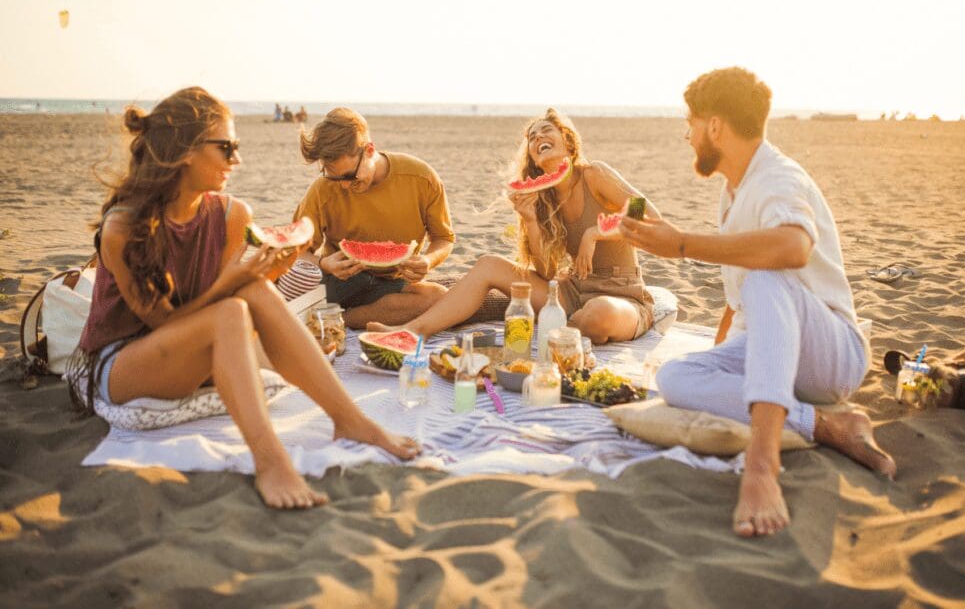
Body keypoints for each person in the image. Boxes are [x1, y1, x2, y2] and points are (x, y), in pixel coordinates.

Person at [67, 87, 419, 510]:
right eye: (226, 147)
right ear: (184, 152)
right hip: (120, 364)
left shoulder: (233, 215)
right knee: (232, 308)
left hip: (191, 349)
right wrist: (229, 285)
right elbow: (163, 322)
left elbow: (226, 298)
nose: (237, 159)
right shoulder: (124, 227)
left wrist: (269, 272)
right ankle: (270, 461)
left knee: (249, 292)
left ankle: (350, 420)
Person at [619, 67, 896, 538]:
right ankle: (830, 427)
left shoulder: (778, 178)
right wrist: (719, 349)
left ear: (714, 126)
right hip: (779, 351)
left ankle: (762, 469)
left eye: (691, 121)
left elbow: (792, 249)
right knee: (676, 375)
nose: (686, 135)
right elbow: (740, 296)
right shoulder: (734, 190)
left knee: (769, 280)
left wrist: (681, 244)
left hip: (834, 356)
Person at [369, 107, 658, 344]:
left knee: (599, 316)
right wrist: (530, 219)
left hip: (621, 293)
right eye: (532, 137)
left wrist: (595, 233)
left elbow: (646, 210)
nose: (538, 137)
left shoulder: (594, 174)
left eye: (546, 130)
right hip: (571, 293)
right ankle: (412, 332)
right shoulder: (543, 197)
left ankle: (559, 326)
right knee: (488, 264)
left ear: (568, 141)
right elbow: (545, 271)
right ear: (532, 156)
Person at [293, 108, 454, 328]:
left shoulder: (421, 178)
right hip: (338, 281)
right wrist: (324, 263)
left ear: (369, 150)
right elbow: (296, 252)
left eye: (350, 176)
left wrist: (428, 260)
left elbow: (443, 238)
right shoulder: (322, 190)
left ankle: (338, 321)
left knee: (437, 297)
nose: (344, 185)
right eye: (334, 177)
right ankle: (330, 317)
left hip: (391, 284)